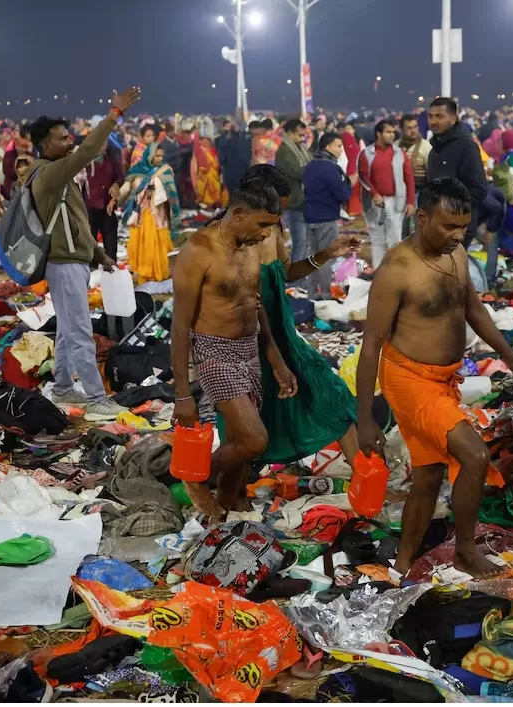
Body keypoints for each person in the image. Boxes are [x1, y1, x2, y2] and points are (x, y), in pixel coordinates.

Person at [356, 177, 513, 577]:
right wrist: (365, 419)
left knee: (429, 476)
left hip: (444, 379)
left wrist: (511, 357)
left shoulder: (455, 254)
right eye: (448, 227)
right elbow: (370, 346)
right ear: (421, 217)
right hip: (408, 379)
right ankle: (465, 550)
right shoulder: (397, 269)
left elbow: (473, 308)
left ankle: (402, 564)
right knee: (474, 454)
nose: (457, 235)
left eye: (463, 228)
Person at [169, 179, 294, 520]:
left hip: (249, 349)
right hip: (214, 352)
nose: (268, 234)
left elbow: (255, 306)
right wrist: (183, 395)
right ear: (238, 213)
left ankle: (225, 505)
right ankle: (196, 477)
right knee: (254, 439)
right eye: (263, 224)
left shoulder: (250, 244)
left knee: (243, 442)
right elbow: (179, 327)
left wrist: (277, 360)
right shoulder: (199, 251)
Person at [222, 164, 361, 465]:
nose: (276, 220)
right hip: (246, 342)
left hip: (281, 334)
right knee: (252, 418)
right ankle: (227, 482)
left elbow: (284, 273)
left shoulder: (272, 229)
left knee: (330, 392)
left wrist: (325, 254)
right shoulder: (228, 241)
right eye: (273, 213)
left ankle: (364, 475)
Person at [27, 86, 140, 421]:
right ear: (45, 144)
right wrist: (114, 115)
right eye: (62, 138)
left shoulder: (60, 177)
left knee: (67, 328)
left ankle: (62, 386)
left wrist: (99, 254)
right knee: (79, 331)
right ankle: (94, 398)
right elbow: (88, 151)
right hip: (62, 265)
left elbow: (75, 222)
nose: (69, 142)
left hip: (72, 261)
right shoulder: (49, 173)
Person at [427, 97, 488, 249]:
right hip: (437, 223)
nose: (433, 121)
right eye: (431, 116)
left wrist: (452, 211)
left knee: (449, 271)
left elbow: (479, 189)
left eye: (439, 116)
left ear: (453, 118)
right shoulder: (435, 149)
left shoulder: (466, 146)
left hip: (457, 227)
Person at [303, 132, 358, 298]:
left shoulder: (310, 165)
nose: (341, 150)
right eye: (339, 146)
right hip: (326, 217)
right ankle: (326, 294)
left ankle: (312, 294)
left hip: (309, 217)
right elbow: (341, 194)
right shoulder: (331, 167)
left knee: (311, 258)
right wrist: (350, 183)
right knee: (326, 258)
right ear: (328, 147)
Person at [359, 119, 416, 268]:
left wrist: (410, 202)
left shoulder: (399, 154)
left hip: (396, 202)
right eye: (388, 132)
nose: (392, 135)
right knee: (377, 240)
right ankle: (379, 273)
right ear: (378, 134)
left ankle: (395, 273)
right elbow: (363, 177)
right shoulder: (367, 154)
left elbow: (409, 178)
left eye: (393, 132)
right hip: (374, 204)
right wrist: (374, 194)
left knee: (396, 240)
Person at [122, 143, 180, 283]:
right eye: (157, 155)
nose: (160, 159)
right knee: (143, 241)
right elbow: (128, 189)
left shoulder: (165, 171)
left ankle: (157, 272)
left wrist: (157, 187)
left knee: (156, 242)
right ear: (149, 155)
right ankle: (143, 272)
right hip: (141, 213)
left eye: (161, 156)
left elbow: (171, 192)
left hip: (158, 213)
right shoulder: (136, 170)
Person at [276, 119, 312, 263]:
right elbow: (297, 172)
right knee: (300, 244)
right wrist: (314, 171)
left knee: (305, 244)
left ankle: (301, 277)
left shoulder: (299, 149)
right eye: (299, 135)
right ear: (289, 133)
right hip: (294, 202)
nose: (302, 138)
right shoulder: (284, 151)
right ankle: (296, 279)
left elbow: (308, 166)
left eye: (304, 135)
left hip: (303, 201)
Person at [84, 139, 125, 262]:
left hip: (108, 203)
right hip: (88, 205)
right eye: (100, 142)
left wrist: (116, 185)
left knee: (110, 236)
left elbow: (120, 176)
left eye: (105, 142)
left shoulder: (111, 158)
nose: (103, 145)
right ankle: (92, 268)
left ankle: (111, 266)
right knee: (90, 238)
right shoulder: (83, 160)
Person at [400, 114, 432, 238]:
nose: (413, 130)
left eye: (415, 127)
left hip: (419, 192)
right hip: (400, 193)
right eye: (409, 128)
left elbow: (430, 173)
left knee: (419, 226)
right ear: (402, 129)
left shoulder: (426, 147)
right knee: (401, 227)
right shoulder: (397, 146)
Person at [192, 126, 227, 210]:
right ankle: (206, 208)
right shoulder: (198, 150)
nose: (206, 142)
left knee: (215, 191)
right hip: (203, 176)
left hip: (214, 175)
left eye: (208, 140)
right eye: (204, 139)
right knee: (204, 194)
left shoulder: (212, 150)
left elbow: (216, 162)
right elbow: (195, 165)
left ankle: (214, 207)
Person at [217, 118, 251, 198]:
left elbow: (222, 159)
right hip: (244, 174)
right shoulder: (246, 142)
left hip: (230, 176)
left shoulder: (225, 143)